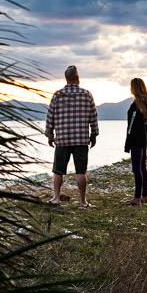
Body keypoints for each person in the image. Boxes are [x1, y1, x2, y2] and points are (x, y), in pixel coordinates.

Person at [45, 64, 98, 208]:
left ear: (66, 78)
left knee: (58, 170)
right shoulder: (86, 94)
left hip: (62, 138)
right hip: (81, 139)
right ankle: (82, 202)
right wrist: (94, 134)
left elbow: (50, 116)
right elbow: (93, 116)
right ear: (77, 78)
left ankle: (56, 198)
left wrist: (49, 134)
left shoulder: (57, 94)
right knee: (81, 171)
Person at [122, 77, 147, 206]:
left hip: (136, 139)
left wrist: (128, 142)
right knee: (142, 167)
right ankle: (144, 196)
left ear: (134, 88)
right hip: (144, 138)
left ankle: (137, 198)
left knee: (137, 168)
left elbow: (131, 126)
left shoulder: (137, 105)